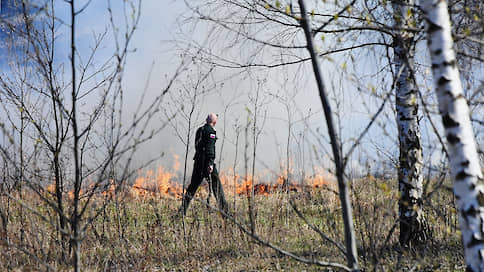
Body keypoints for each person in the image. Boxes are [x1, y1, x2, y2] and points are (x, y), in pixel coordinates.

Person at [179, 113, 229, 216]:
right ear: (214, 122)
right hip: (206, 164)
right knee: (217, 188)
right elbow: (210, 148)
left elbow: (198, 146)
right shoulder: (211, 132)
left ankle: (182, 212)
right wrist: (210, 163)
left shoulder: (199, 130)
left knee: (192, 188)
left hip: (197, 162)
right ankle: (226, 213)